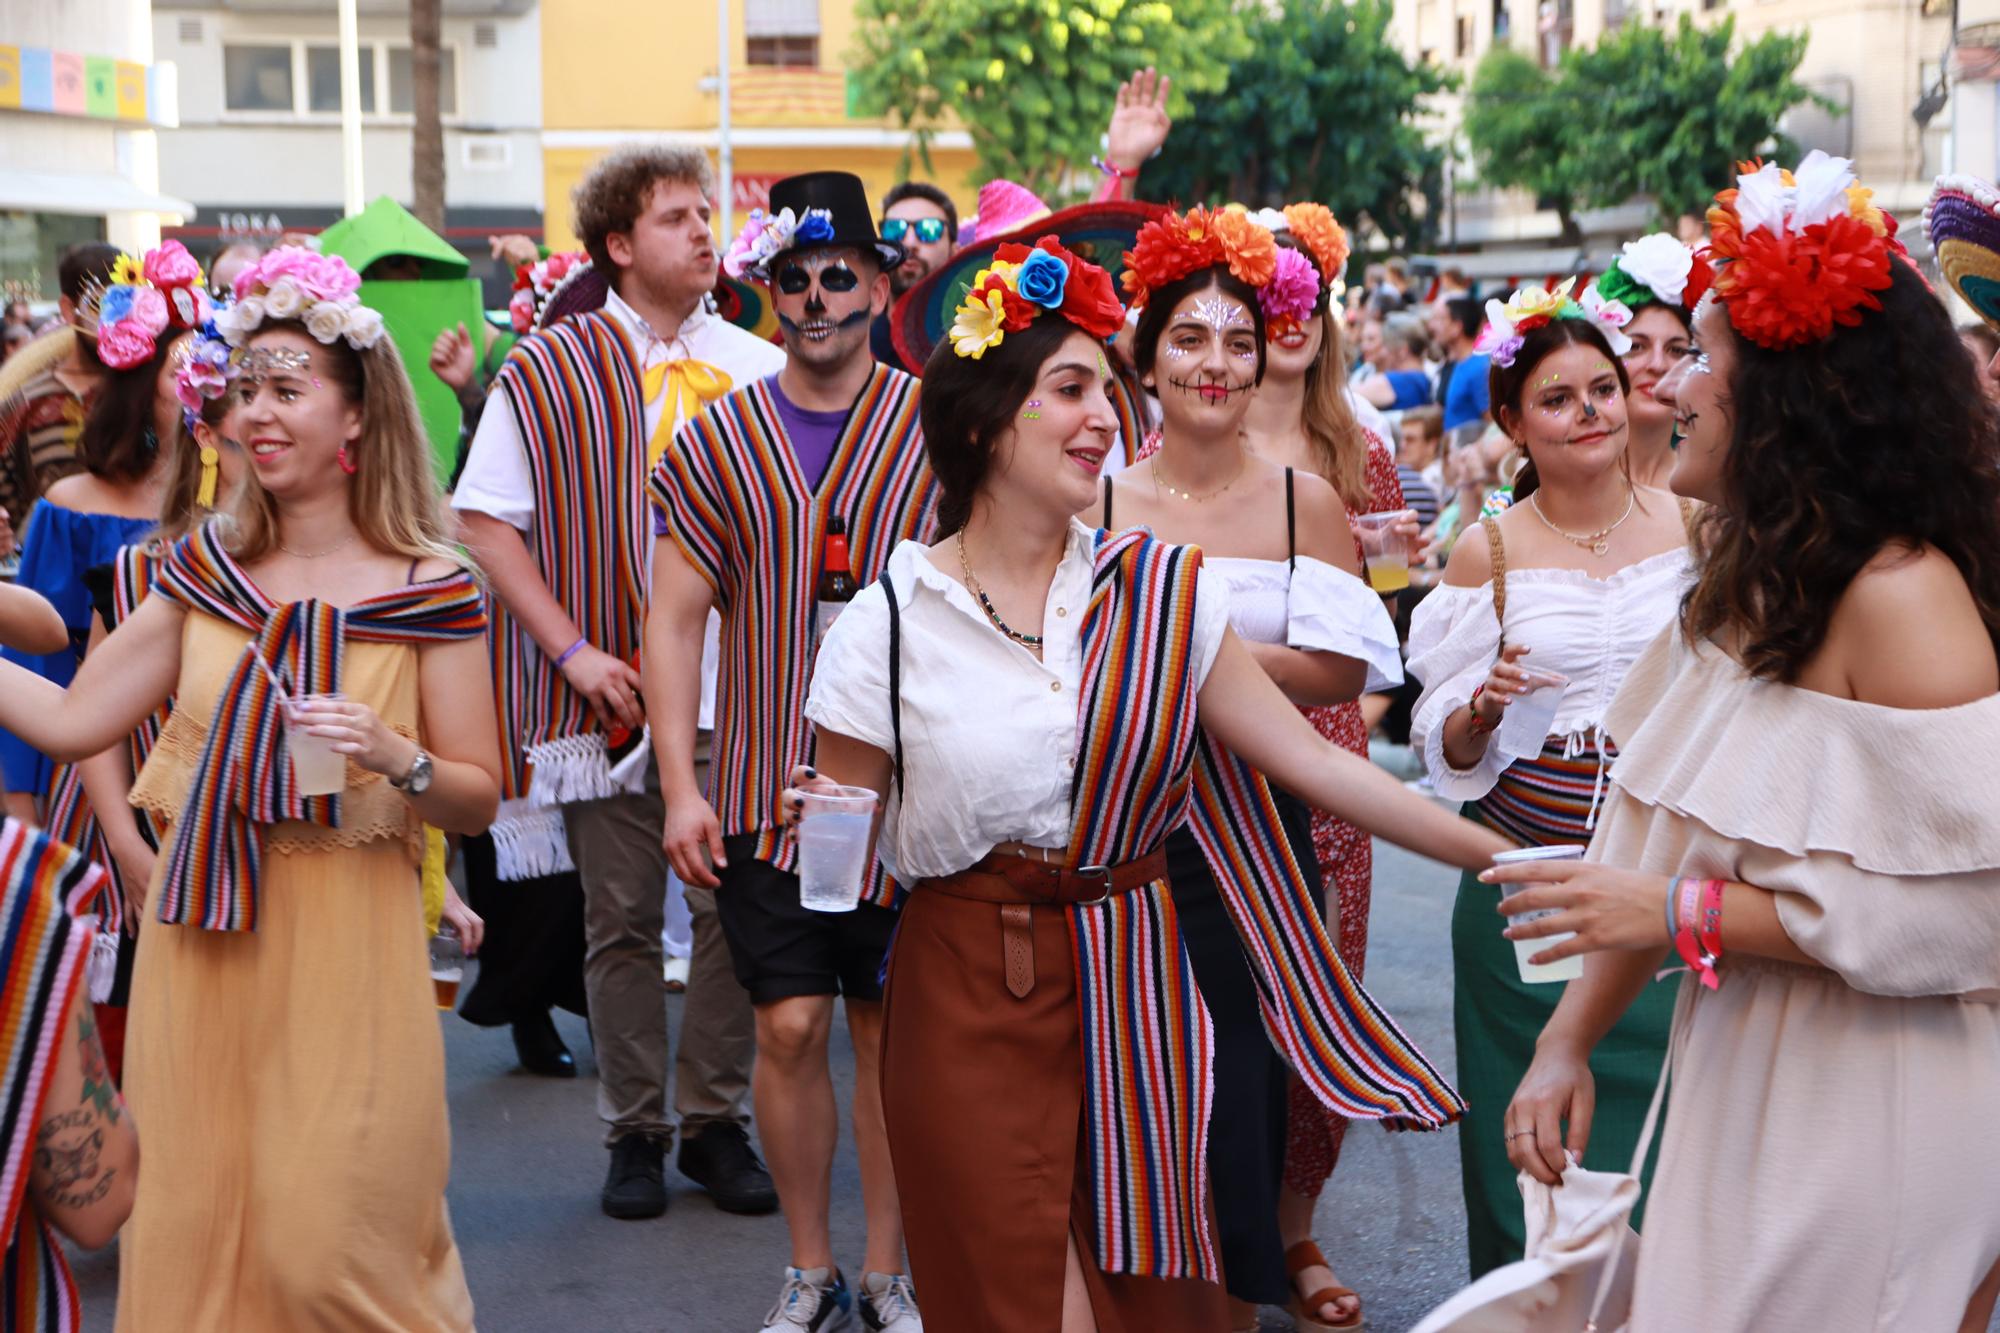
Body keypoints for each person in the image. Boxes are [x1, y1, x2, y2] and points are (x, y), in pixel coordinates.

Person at [792, 238, 1506, 1330]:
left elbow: (1315, 759)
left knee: (1154, 1300)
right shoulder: (887, 623)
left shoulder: (1158, 591)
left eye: (1104, 393)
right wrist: (830, 824)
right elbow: (833, 871)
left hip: (1140, 981)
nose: (1101, 418)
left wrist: (1516, 858)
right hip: (963, 995)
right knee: (1026, 1303)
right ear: (987, 422)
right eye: (1067, 390)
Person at [1494, 156, 2000, 1331]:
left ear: (1787, 395)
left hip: (1880, 1090)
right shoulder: (1731, 583)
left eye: (1698, 360)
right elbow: (1650, 856)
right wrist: (1563, 1041)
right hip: (1742, 1060)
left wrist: (1679, 917)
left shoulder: (1900, 596)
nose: (1664, 386)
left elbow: (1977, 922)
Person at [0, 250, 497, 1329]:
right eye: (246, 390)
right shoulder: (203, 580)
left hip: (349, 946)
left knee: (333, 1250)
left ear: (357, 416)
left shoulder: (432, 586)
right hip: (204, 947)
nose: (255, 415)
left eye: (287, 389)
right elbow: (73, 719)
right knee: (201, 1238)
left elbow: (476, 796)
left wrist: (390, 752)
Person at [1092, 208, 1403, 1332]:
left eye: (1234, 339)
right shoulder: (1095, 499)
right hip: (1122, 833)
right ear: (1146, 354)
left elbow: (1337, 665)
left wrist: (1190, 653)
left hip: (1262, 830)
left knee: (1240, 1083)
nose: (1214, 363)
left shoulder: (1300, 500)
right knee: (1129, 1089)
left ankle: (1234, 1295)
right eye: (1188, 339)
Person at [455, 145, 778, 1214]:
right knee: (622, 919)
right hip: (606, 695)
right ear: (617, 245)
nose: (702, 231)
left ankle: (714, 1123)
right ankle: (634, 1131)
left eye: (704, 214)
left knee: (735, 917)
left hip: (744, 693)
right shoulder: (547, 367)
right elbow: (484, 523)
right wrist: (570, 650)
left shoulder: (758, 366)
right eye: (675, 217)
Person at [651, 170, 936, 1331]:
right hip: (767, 786)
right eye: (793, 278)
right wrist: (679, 785)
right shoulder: (719, 436)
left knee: (886, 1028)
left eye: (836, 275)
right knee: (787, 1022)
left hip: (910, 795)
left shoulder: (934, 432)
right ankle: (807, 1265)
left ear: (876, 282)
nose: (815, 298)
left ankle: (887, 1268)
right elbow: (670, 620)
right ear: (768, 292)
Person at [1406, 279, 1693, 1278]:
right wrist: (1480, 706)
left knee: (1668, 1164)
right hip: (1522, 895)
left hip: (1660, 882)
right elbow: (1441, 754)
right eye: (1559, 398)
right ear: (1511, 423)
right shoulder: (1481, 552)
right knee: (1526, 1169)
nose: (1590, 413)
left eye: (1603, 389)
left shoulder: (1695, 530)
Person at [1229, 207, 1414, 1328]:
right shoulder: (1177, 450)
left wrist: (1357, 710)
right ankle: (1210, 1222)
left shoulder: (1363, 450)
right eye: (1265, 297)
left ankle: (1293, 1231)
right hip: (1200, 765)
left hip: (1329, 762)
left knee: (1317, 1009)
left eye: (1303, 294)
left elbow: (1386, 624)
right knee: (1212, 1008)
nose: (1285, 316)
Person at [0, 243, 212, 827]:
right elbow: (33, 659)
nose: (203, 385)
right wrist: (21, 800)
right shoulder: (71, 509)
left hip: (217, 784)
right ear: (146, 388)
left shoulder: (244, 512)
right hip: (97, 787)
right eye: (183, 370)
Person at [0, 243, 121, 549]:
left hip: (125, 566)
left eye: (123, 306)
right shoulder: (23, 399)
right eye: (99, 305)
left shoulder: (139, 395)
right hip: (44, 569)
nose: (112, 321)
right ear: (68, 310)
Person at [1586, 233, 1709, 488]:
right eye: (1636, 346)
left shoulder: (1714, 493)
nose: (1657, 364)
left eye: (1676, 350)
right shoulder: (1553, 487)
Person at [871, 181, 959, 370]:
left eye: (929, 229)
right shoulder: (857, 344)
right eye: (895, 229)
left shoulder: (976, 345)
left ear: (955, 251)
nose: (909, 243)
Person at [1430, 296, 1489, 435]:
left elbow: (1492, 422)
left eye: (1441, 320)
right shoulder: (1459, 363)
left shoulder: (1479, 368)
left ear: (1457, 327)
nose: (1433, 326)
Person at [1357, 312, 1433, 413]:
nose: (1383, 353)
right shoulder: (1422, 378)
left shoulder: (1406, 381)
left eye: (1386, 346)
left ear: (1402, 351)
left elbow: (1346, 397)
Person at [1397, 405, 1444, 528]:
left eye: (1410, 440)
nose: (1403, 446)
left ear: (1431, 445)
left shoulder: (1434, 476)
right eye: (1402, 439)